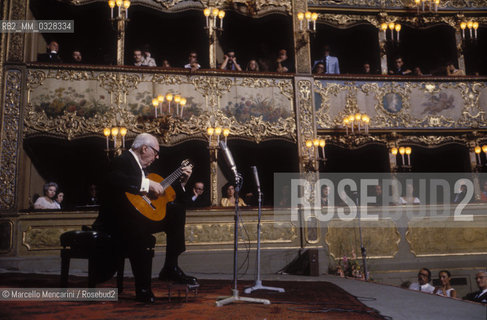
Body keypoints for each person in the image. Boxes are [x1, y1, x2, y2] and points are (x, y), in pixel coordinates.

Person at [93, 133, 197, 303]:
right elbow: (112, 179)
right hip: (116, 223)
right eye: (156, 153)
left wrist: (183, 183)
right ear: (144, 148)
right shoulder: (123, 160)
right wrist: (147, 184)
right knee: (139, 233)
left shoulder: (142, 168)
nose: (157, 157)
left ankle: (170, 267)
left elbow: (169, 198)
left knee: (176, 211)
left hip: (134, 219)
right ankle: (143, 289)